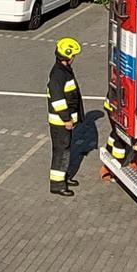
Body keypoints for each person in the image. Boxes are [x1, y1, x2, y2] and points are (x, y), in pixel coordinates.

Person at [47, 37, 84, 196]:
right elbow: (58, 100)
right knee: (61, 151)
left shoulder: (63, 70)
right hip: (60, 122)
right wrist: (66, 119)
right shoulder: (58, 74)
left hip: (64, 120)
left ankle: (63, 177)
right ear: (67, 57)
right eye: (73, 55)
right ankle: (57, 185)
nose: (74, 58)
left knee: (66, 150)